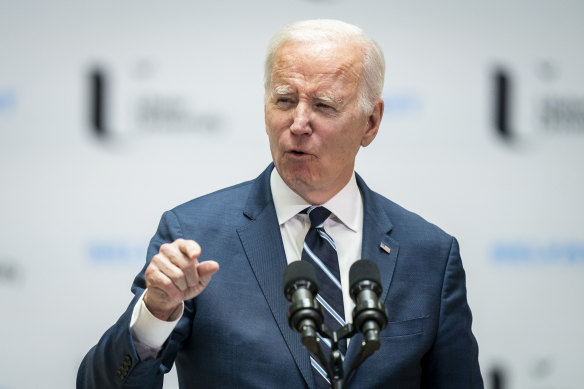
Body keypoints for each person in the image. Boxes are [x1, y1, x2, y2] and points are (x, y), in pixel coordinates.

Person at [77, 19, 483, 388]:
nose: (299, 124)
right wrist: (156, 312)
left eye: (324, 106)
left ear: (371, 123)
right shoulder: (195, 237)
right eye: (285, 100)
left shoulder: (430, 254)